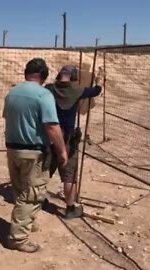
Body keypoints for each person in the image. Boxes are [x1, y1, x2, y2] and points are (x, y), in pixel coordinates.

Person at [3, 58, 68, 253]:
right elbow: (51, 126)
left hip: (12, 150)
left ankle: (27, 223)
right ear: (43, 76)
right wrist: (62, 150)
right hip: (32, 152)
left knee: (20, 189)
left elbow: (7, 117)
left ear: (26, 73)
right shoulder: (43, 95)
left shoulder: (12, 92)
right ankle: (18, 239)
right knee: (31, 195)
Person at [45, 65, 102, 220]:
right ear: (73, 76)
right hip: (68, 137)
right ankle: (70, 208)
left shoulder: (49, 88)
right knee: (69, 174)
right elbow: (96, 91)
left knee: (45, 169)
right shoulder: (78, 90)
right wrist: (99, 80)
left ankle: (36, 199)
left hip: (50, 134)